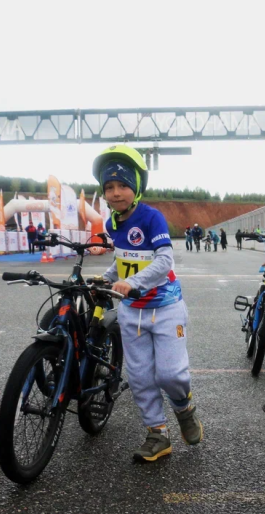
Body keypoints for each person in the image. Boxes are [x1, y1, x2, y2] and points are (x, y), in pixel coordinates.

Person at [93, 145, 201, 462]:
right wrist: (106, 278)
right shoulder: (112, 223)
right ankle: (158, 434)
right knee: (140, 378)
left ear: (137, 186)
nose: (115, 193)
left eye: (123, 185)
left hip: (166, 308)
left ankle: (184, 409)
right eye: (109, 187)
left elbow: (163, 260)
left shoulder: (152, 217)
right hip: (132, 313)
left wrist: (132, 283)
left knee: (171, 375)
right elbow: (124, 259)